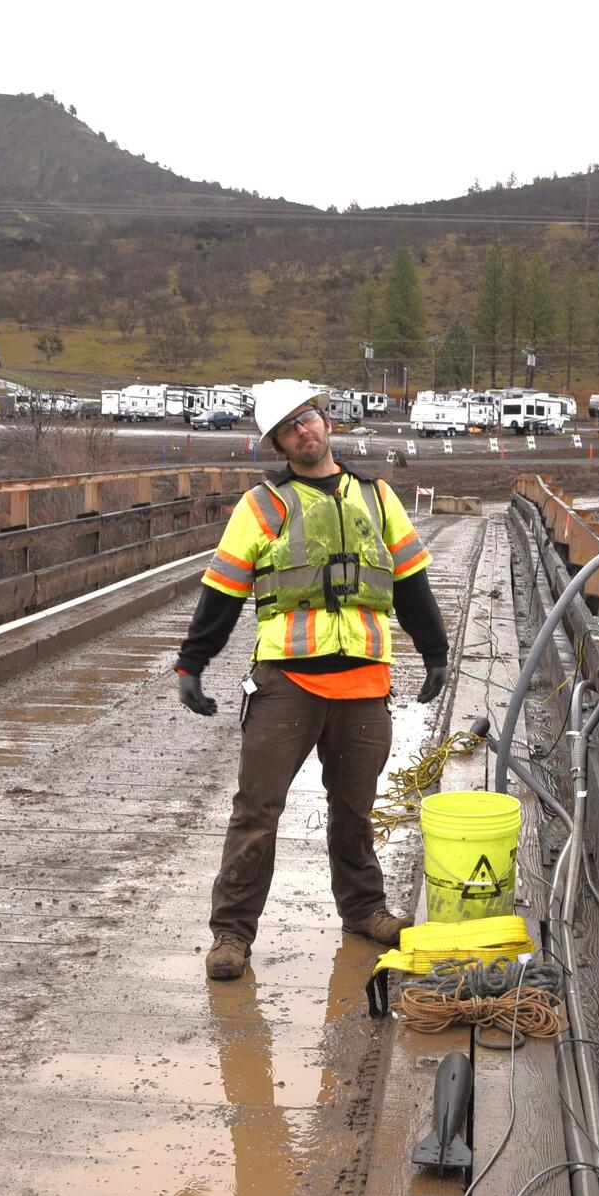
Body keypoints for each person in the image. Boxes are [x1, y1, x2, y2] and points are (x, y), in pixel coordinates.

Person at [175, 380, 448, 980]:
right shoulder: (261, 507)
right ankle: (231, 934)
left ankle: (364, 909)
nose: (304, 431)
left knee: (354, 809)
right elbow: (220, 593)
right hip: (287, 686)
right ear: (277, 443)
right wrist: (191, 664)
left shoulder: (377, 498)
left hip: (365, 686)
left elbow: (411, 584)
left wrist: (435, 653)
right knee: (256, 811)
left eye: (309, 419)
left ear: (326, 422)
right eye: (289, 427)